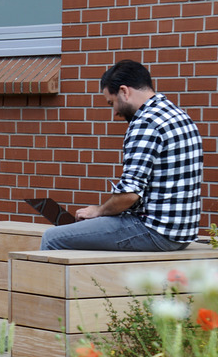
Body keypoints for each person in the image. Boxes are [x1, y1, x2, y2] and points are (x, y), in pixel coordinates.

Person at [40, 59, 203, 252]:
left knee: (52, 238)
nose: (115, 111)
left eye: (112, 102)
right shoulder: (179, 115)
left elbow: (129, 195)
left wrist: (98, 211)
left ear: (124, 91)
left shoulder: (145, 123)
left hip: (154, 231)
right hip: (181, 234)